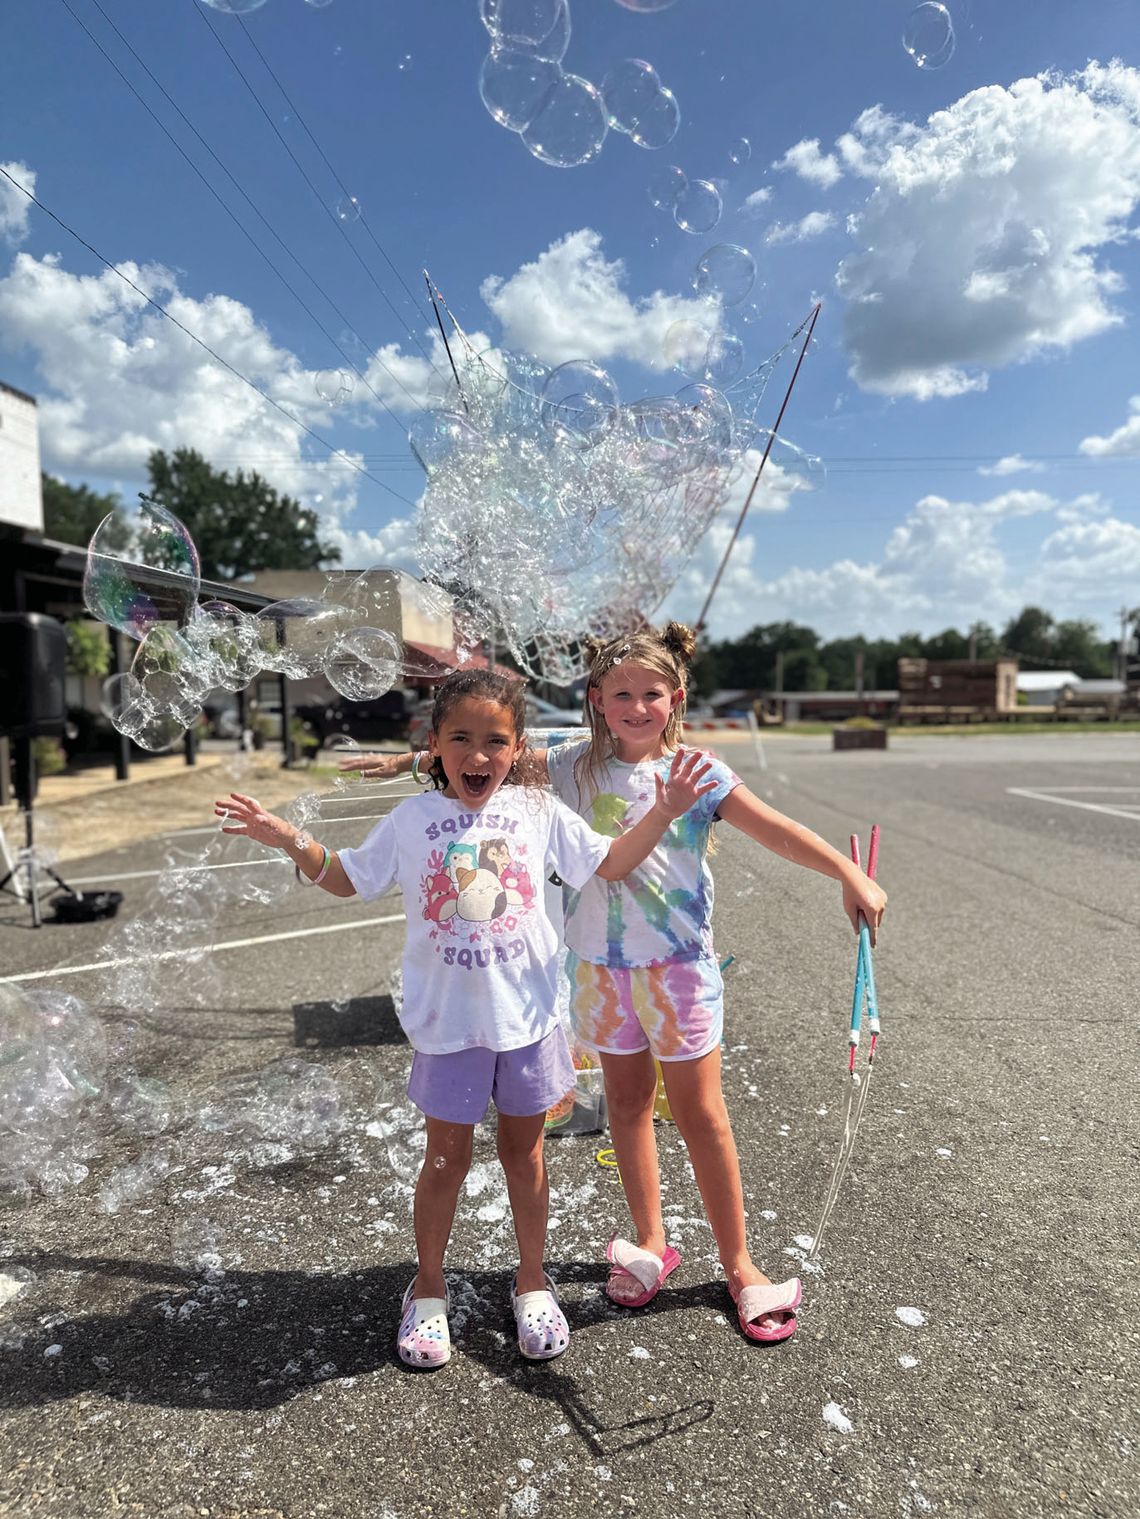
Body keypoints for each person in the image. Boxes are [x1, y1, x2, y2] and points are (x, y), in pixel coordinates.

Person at [348, 626, 887, 1345]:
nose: (637, 706)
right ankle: (651, 1242)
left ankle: (740, 1264)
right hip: (598, 973)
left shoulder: (698, 773)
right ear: (596, 701)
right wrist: (406, 760)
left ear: (677, 698)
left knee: (702, 1113)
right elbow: (486, 748)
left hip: (677, 972)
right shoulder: (570, 765)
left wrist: (846, 873)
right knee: (629, 1106)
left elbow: (774, 829)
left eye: (652, 694)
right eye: (622, 693)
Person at [215, 668, 716, 1371]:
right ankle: (426, 1288)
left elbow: (610, 863)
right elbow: (347, 875)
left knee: (526, 1156)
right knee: (445, 1159)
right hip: (447, 1028)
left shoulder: (538, 810)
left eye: (495, 741)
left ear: (516, 750)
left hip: (529, 1022)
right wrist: (288, 837)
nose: (478, 755)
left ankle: (533, 1279)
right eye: (461, 738)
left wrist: (663, 811)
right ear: (434, 744)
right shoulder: (413, 820)